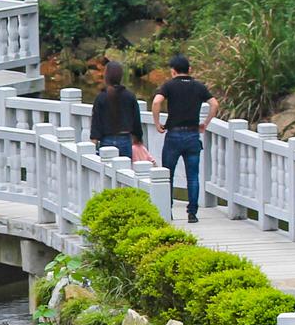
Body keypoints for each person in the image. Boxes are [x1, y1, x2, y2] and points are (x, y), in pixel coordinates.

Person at [150, 53, 218, 223]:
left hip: (174, 135)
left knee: (168, 174)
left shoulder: (169, 86)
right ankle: (192, 213)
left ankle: (168, 210)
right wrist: (205, 123)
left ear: (173, 71)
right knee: (193, 176)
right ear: (189, 69)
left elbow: (157, 102)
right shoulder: (198, 86)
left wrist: (157, 123)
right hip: (192, 135)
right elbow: (214, 104)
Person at [89, 60, 141, 160]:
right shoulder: (129, 96)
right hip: (125, 140)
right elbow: (136, 121)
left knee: (107, 174)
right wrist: (138, 139)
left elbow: (96, 124)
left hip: (106, 141)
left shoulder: (101, 98)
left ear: (106, 76)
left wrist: (92, 146)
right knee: (125, 172)